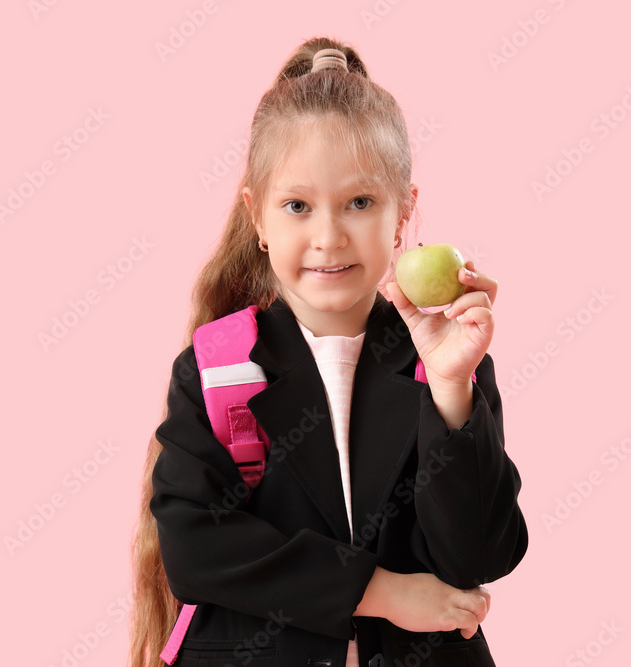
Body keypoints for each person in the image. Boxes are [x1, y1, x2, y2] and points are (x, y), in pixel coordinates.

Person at [129, 36, 528, 667]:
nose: (328, 236)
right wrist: (380, 592)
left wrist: (452, 391)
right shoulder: (221, 368)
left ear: (405, 215)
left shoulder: (444, 363)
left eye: (361, 203)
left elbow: (481, 556)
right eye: (297, 206)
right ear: (257, 219)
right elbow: (194, 544)